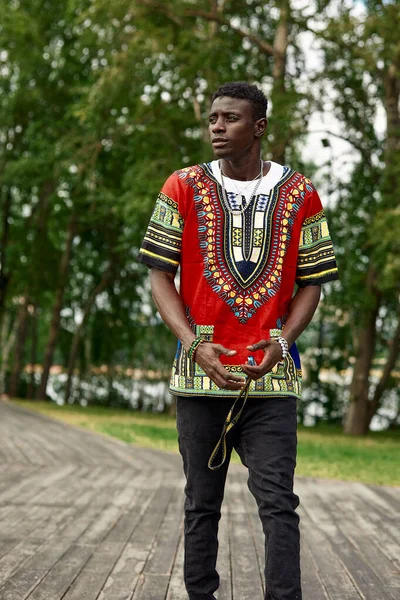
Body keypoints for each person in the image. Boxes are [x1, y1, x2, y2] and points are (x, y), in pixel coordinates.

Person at [138, 81, 339, 600]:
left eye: (229, 118)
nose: (217, 128)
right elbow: (160, 275)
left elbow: (312, 282)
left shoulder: (301, 194)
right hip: (198, 378)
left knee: (278, 504)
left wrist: (284, 339)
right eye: (212, 119)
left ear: (260, 126)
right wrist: (191, 344)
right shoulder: (181, 186)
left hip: (271, 381)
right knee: (199, 504)